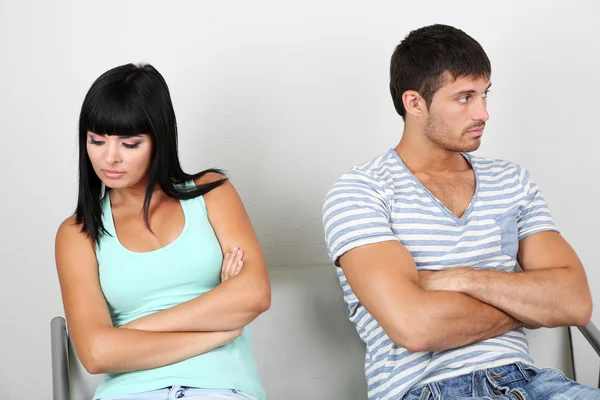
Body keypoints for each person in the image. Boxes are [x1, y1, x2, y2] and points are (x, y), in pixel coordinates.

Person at [322, 24, 597, 399]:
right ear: (415, 103)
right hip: (427, 390)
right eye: (464, 97)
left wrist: (461, 278)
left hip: (531, 383)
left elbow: (575, 302)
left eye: (484, 94)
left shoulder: (512, 181)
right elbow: (415, 328)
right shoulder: (362, 192)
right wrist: (531, 308)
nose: (483, 112)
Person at [55, 63, 270, 400]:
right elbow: (96, 353)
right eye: (97, 141)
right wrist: (219, 328)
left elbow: (255, 294)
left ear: (160, 139)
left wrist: (127, 333)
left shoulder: (211, 192)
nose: (109, 158)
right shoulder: (77, 233)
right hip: (129, 393)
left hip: (221, 388)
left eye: (130, 144)